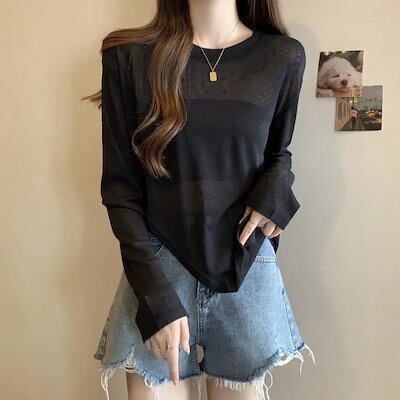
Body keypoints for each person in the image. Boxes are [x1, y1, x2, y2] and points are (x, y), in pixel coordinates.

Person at [83, 1, 316, 399]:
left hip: (245, 265)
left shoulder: (282, 56)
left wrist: (275, 192)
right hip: (158, 268)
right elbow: (121, 190)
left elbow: (278, 153)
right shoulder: (130, 57)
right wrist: (155, 297)